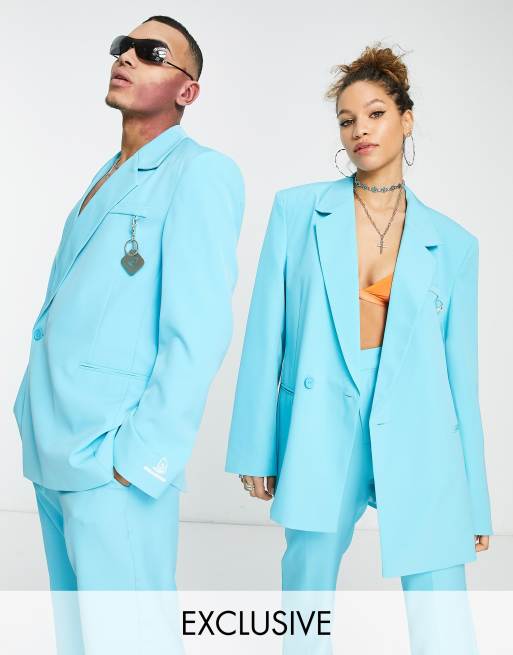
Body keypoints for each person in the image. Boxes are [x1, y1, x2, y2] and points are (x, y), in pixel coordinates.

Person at [225, 43, 492, 653]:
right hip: (321, 423)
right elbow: (266, 333)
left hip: (421, 435)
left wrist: (476, 502)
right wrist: (255, 445)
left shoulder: (454, 245)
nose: (359, 130)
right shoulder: (297, 212)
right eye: (347, 120)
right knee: (307, 592)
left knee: (442, 613)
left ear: (407, 119)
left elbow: (461, 382)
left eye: (375, 114)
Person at [12, 14, 245, 596]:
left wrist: (138, 458)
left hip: (112, 460)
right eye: (124, 46)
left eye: (152, 52)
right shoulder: (108, 172)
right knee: (78, 633)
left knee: (128, 633)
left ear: (188, 91)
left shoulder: (200, 173)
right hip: (53, 445)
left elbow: (199, 331)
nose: (127, 57)